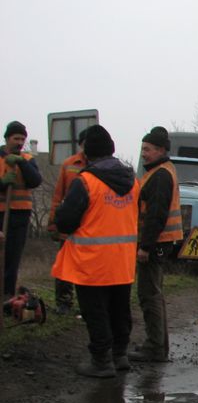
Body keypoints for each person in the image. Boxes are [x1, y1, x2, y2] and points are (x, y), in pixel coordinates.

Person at [51, 125, 140, 378]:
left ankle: (101, 361)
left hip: (92, 262)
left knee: (96, 311)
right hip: (122, 261)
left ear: (87, 154)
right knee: (119, 308)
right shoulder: (132, 182)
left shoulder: (86, 181)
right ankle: (119, 354)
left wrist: (59, 215)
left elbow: (66, 221)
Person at [130, 127, 181, 363]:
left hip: (156, 243)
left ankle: (155, 347)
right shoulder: (159, 171)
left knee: (149, 294)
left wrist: (145, 246)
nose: (143, 154)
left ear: (161, 150)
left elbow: (156, 215)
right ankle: (159, 345)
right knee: (154, 294)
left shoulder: (160, 175)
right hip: (160, 242)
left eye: (147, 149)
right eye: (142, 149)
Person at [47, 128, 88, 314]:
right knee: (64, 266)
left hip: (89, 226)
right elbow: (58, 196)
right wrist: (53, 222)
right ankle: (64, 302)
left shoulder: (99, 165)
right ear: (80, 144)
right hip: (68, 224)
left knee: (87, 267)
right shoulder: (69, 164)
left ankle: (87, 303)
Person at [0, 121, 42, 297]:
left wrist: (21, 164)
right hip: (1, 214)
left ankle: (8, 296)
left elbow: (35, 181)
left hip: (20, 215)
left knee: (13, 257)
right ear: (7, 138)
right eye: (16, 138)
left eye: (22, 139)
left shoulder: (27, 159)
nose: (19, 142)